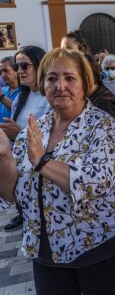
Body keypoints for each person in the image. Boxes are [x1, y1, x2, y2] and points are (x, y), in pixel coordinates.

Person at [0, 48, 115, 295]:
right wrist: (3, 157)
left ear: (85, 83)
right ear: (43, 85)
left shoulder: (101, 124)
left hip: (97, 245)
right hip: (46, 249)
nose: (60, 86)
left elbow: (95, 183)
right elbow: (11, 194)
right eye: (51, 79)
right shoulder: (35, 128)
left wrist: (42, 162)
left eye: (69, 78)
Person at [1, 46, 51, 232]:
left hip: (45, 168)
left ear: (40, 66)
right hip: (23, 167)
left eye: (24, 66)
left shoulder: (50, 97)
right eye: (17, 66)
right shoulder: (20, 98)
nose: (19, 71)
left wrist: (19, 132)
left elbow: (57, 134)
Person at [0, 56, 19, 123]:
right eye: (1, 71)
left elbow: (20, 110)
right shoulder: (4, 89)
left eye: (5, 70)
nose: (2, 75)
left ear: (16, 70)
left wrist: (1, 96)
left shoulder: (25, 91)